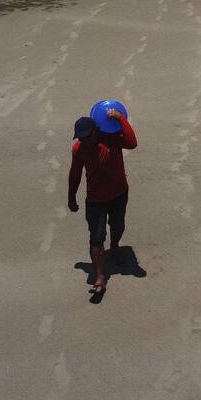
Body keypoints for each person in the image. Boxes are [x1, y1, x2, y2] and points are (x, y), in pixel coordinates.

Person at [68, 108, 138, 296]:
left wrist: (120, 118)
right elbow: (75, 175)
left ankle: (114, 247)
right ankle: (100, 276)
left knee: (117, 225)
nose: (84, 141)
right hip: (95, 199)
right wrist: (71, 197)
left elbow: (132, 143)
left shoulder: (112, 139)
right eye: (80, 138)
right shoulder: (79, 149)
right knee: (96, 237)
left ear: (96, 131)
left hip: (118, 193)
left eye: (87, 137)